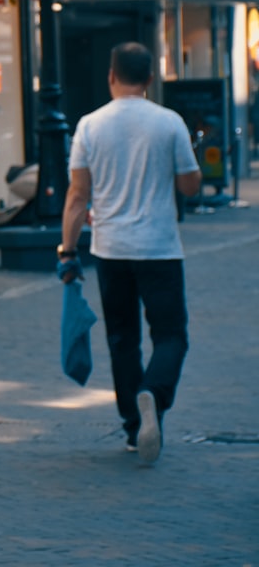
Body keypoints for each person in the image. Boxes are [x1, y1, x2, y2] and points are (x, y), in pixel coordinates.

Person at [59, 42, 201, 465]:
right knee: (172, 334)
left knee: (123, 340)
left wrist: (68, 250)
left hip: (111, 249)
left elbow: (77, 196)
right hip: (159, 248)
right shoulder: (169, 122)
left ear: (111, 75)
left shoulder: (89, 125)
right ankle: (153, 394)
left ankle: (132, 428)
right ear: (151, 79)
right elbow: (190, 185)